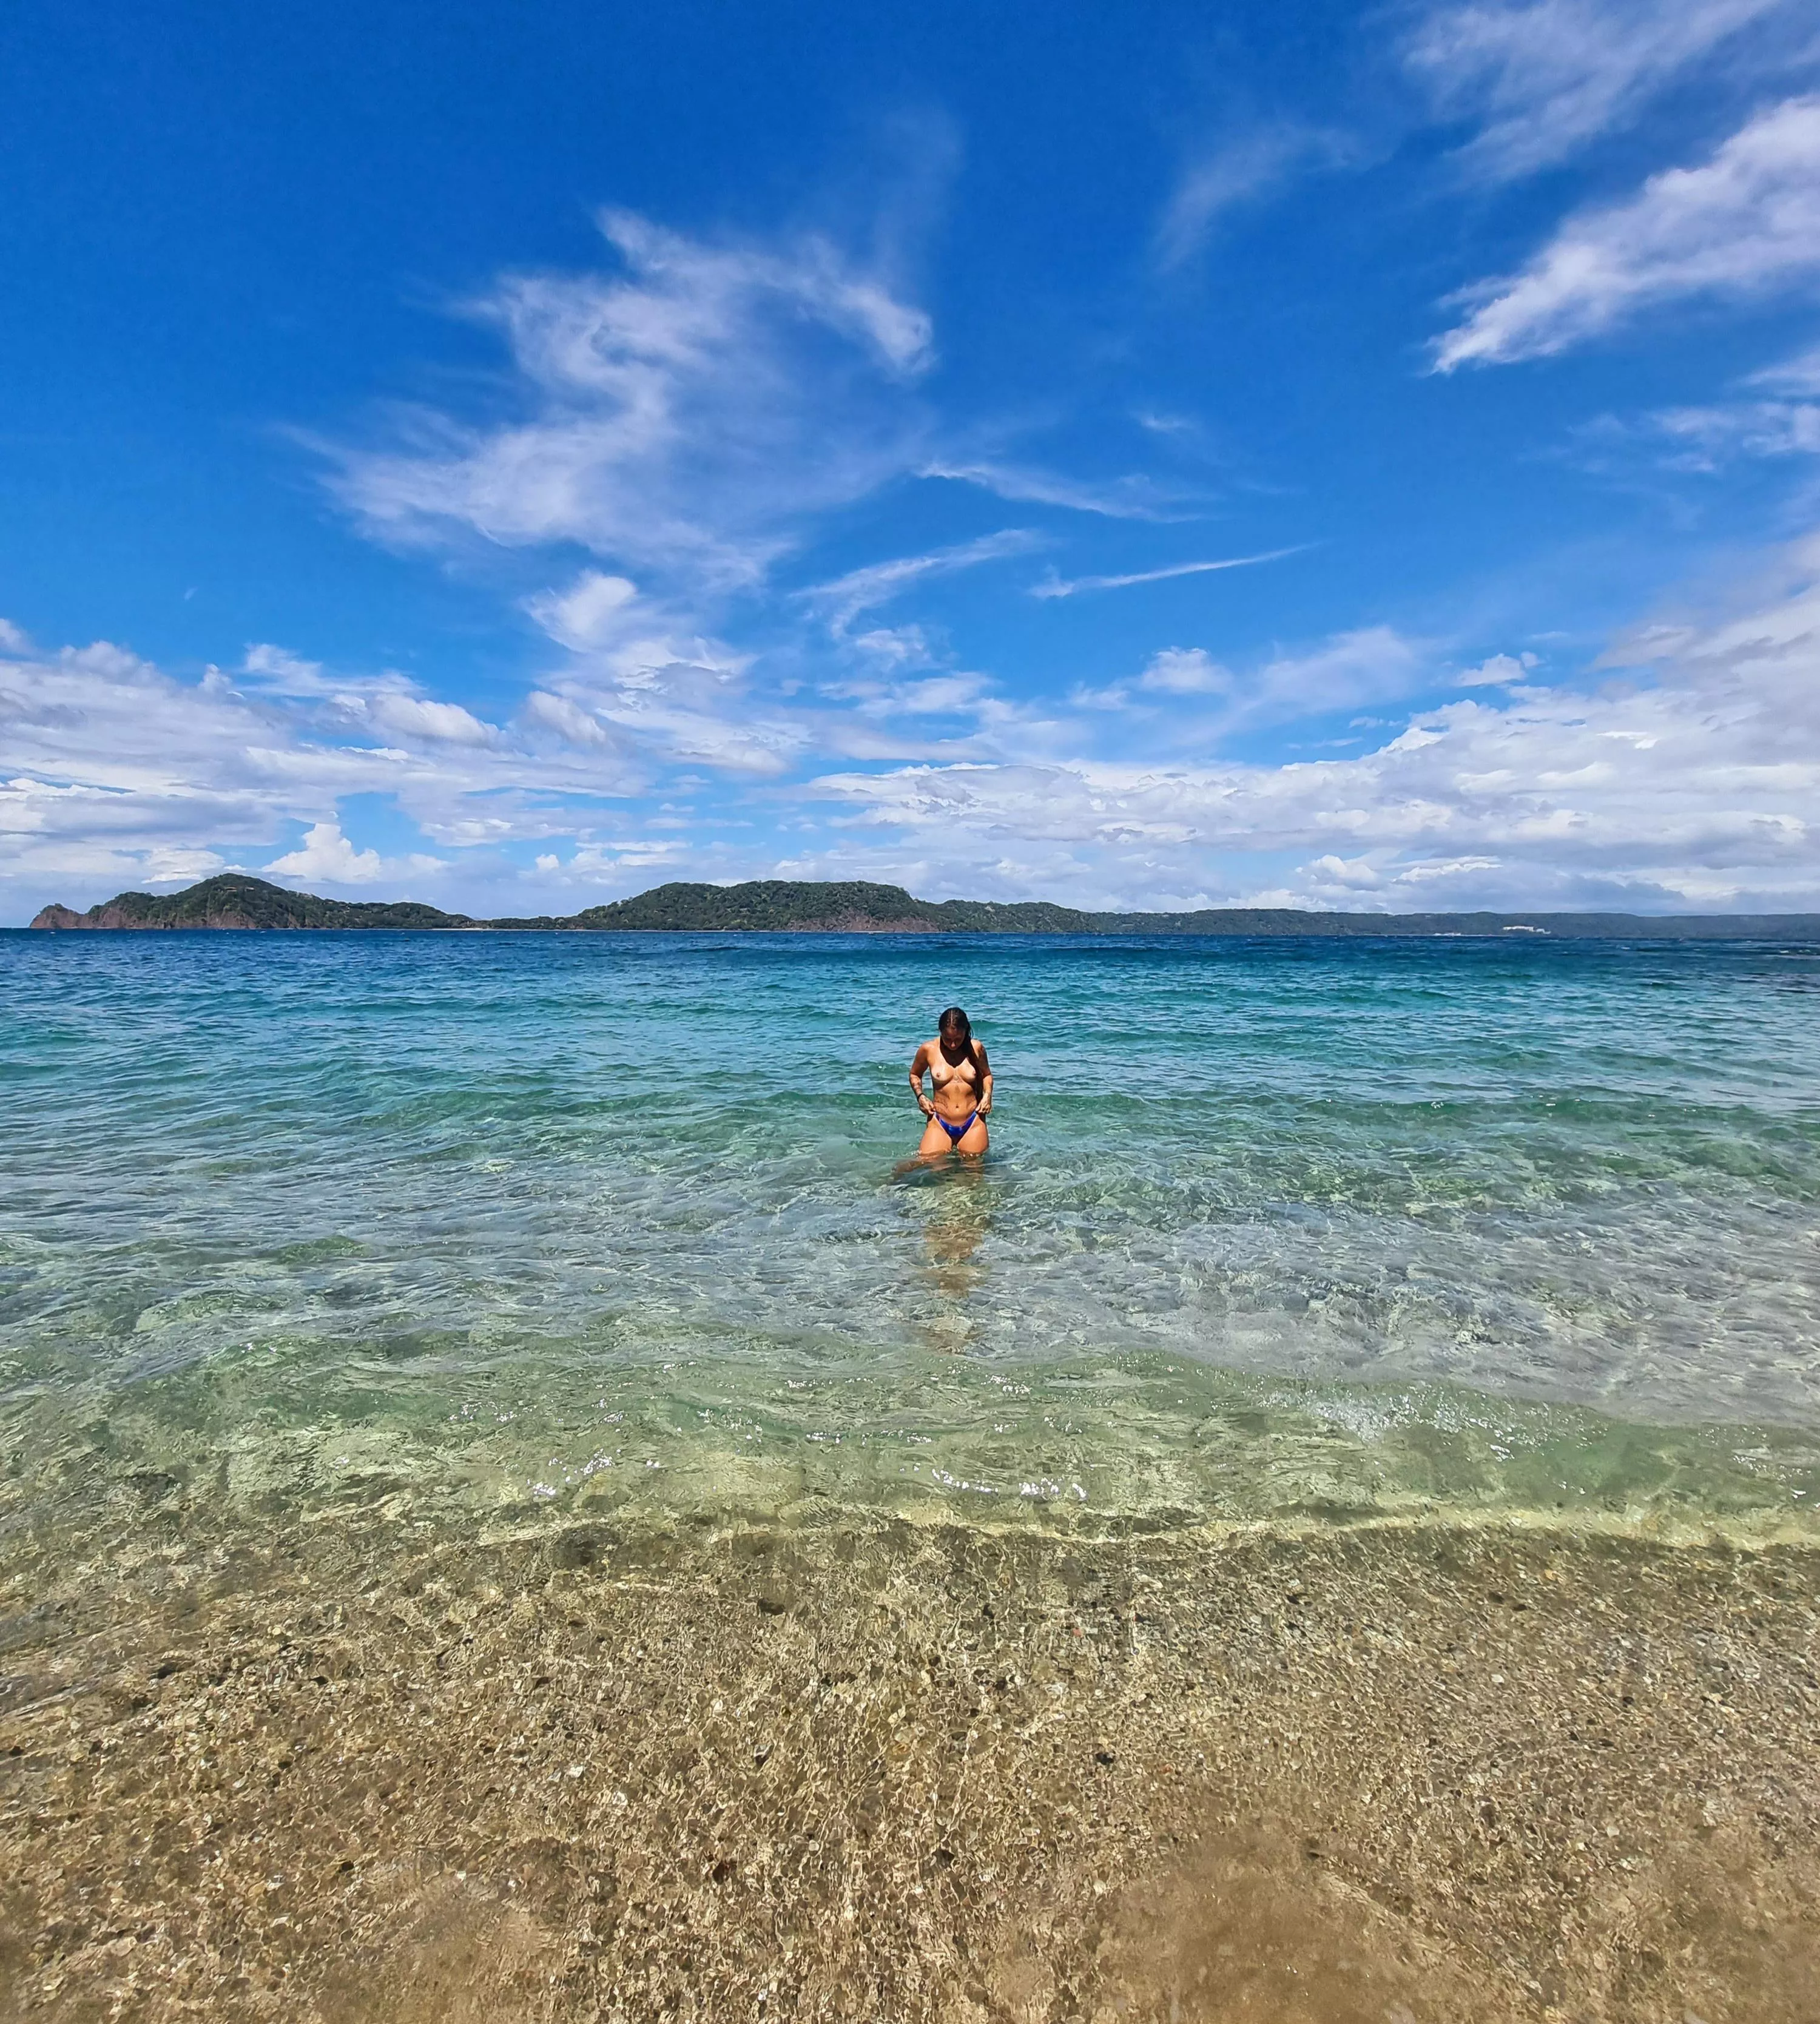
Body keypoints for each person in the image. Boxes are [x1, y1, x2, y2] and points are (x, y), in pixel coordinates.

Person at [909, 1007, 992, 1156]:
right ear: (940, 1031)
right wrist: (920, 1096)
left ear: (965, 1031)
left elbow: (987, 1075)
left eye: (958, 1039)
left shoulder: (976, 1048)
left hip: (973, 1122)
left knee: (973, 1172)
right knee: (928, 1164)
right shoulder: (928, 1050)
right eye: (947, 1039)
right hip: (939, 1122)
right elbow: (915, 1074)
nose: (953, 1045)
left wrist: (987, 1096)